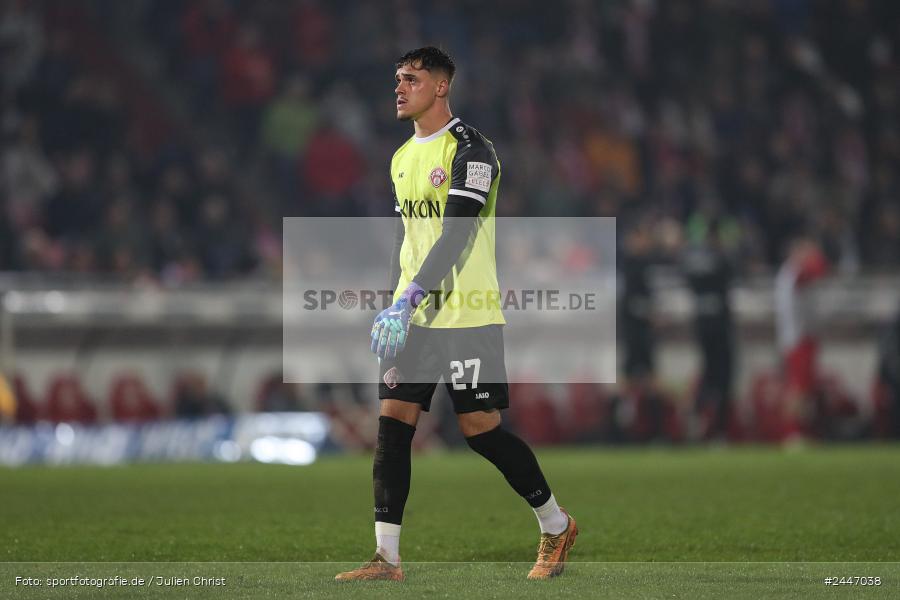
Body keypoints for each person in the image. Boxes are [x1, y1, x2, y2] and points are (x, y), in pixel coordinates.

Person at [335, 47, 577, 583]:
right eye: (397, 79)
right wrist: (393, 302)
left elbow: (457, 235)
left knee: (480, 430)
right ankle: (386, 558)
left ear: (441, 86)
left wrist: (408, 299)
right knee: (392, 424)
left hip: (467, 314)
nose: (399, 88)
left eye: (411, 79)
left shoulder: (473, 152)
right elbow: (406, 240)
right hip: (413, 319)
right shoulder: (401, 157)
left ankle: (556, 524)